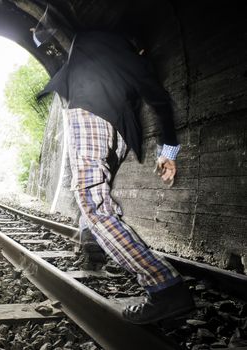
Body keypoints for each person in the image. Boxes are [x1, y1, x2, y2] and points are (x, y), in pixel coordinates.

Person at [32, 7, 195, 324]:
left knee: (92, 201)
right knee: (89, 190)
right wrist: (169, 153)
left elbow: (58, 17)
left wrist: (40, 34)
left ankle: (164, 286)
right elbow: (160, 102)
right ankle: (91, 239)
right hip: (119, 137)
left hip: (89, 118)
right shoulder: (136, 62)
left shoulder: (90, 39)